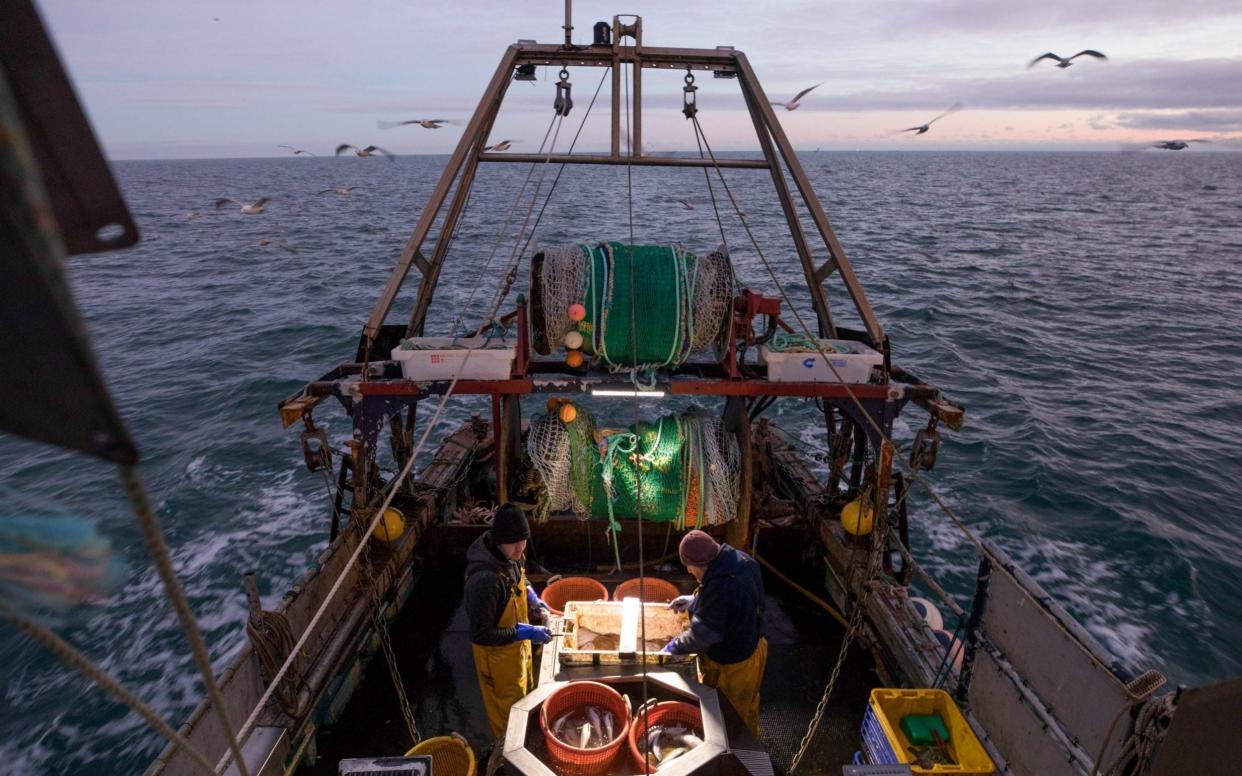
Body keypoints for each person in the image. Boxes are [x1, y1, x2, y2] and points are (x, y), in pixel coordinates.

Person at [660, 530, 767, 736]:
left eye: (690, 568)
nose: (690, 572)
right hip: (752, 646)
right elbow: (731, 601)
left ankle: (740, 757)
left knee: (731, 715)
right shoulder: (740, 559)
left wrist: (671, 648)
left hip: (736, 665)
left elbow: (702, 635)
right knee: (746, 704)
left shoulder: (720, 587)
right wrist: (694, 603)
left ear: (701, 565)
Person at [464, 503, 552, 739]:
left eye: (523, 541)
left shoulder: (510, 554)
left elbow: (519, 578)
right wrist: (523, 633)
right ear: (499, 539)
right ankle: (505, 755)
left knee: (526, 694)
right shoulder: (485, 581)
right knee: (509, 717)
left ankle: (527, 732)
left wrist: (533, 597)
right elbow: (481, 635)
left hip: (517, 651)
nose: (520, 549)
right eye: (515, 543)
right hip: (498, 660)